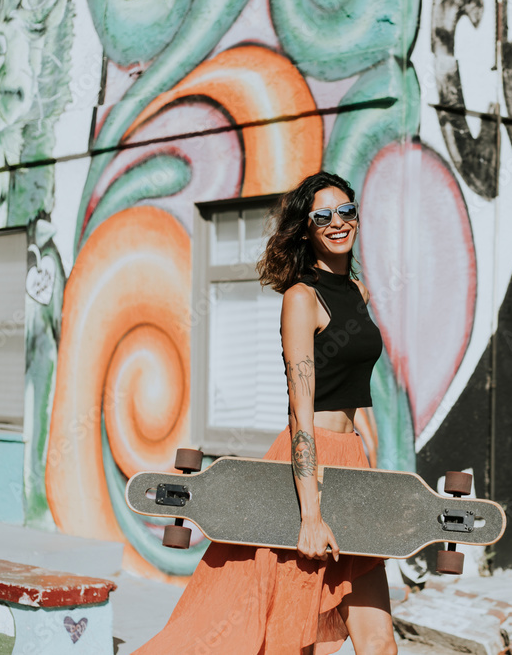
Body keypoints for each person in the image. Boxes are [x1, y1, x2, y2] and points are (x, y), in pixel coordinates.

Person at [134, 171, 396, 654]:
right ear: (305, 229)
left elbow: (353, 395)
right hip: (307, 472)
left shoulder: (357, 292)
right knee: (293, 639)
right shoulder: (302, 298)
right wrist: (310, 514)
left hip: (352, 465)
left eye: (346, 211)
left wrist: (366, 464)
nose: (337, 223)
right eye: (322, 216)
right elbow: (301, 412)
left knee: (379, 644)